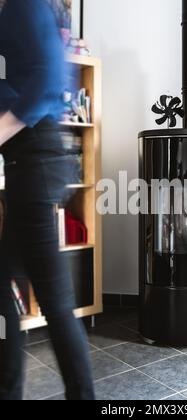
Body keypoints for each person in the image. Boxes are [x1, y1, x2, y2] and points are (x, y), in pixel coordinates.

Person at [0, 0, 95, 400]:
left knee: (56, 301)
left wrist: (2, 128)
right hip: (30, 163)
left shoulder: (25, 4)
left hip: (36, 162)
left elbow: (47, 78)